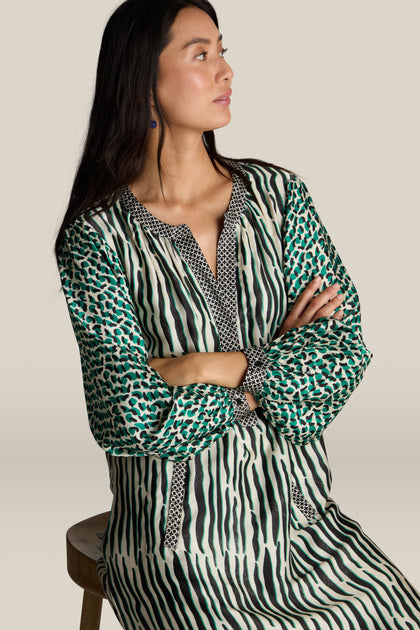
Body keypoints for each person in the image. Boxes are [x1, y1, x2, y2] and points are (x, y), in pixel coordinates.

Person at [55, 0, 420, 628]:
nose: (227, 70)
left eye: (223, 49)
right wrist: (278, 368)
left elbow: (342, 357)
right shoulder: (98, 239)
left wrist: (206, 367)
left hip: (306, 525)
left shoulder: (279, 198)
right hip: (180, 546)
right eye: (201, 53)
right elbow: (128, 418)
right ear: (143, 82)